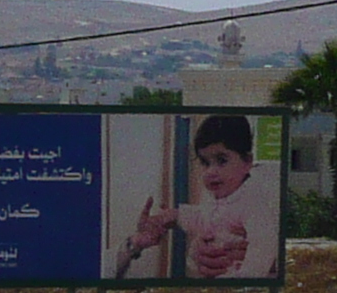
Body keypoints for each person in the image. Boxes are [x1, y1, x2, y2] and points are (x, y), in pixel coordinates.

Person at [119, 113, 278, 280]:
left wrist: (246, 276)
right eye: (205, 162)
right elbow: (202, 218)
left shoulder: (253, 201)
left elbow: (264, 244)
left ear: (247, 162)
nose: (210, 172)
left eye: (221, 160)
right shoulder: (217, 198)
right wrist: (174, 216)